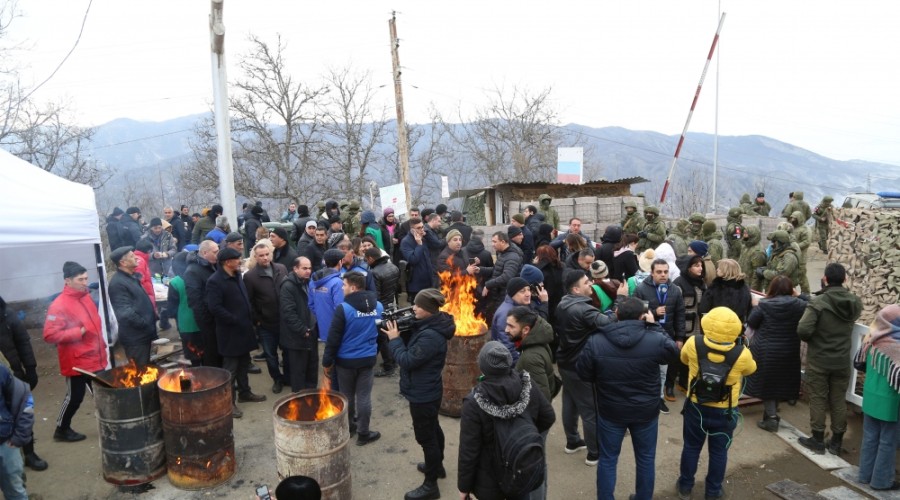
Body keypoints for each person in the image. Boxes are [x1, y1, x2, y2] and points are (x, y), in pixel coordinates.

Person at [577, 297, 677, 500]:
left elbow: (583, 373)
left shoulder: (596, 340)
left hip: (611, 410)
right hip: (645, 411)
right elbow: (673, 354)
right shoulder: (655, 339)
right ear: (643, 317)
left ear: (616, 315)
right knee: (646, 459)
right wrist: (655, 326)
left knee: (608, 459)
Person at [457, 341, 556, 500]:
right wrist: (523, 434)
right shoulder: (526, 384)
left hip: (491, 480)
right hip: (520, 469)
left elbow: (469, 451)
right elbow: (548, 416)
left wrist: (463, 487)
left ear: (482, 367)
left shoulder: (475, 402)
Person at [383, 288, 455, 500]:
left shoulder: (431, 337)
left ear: (430, 310)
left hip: (423, 393)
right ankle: (437, 466)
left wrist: (394, 340)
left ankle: (431, 485)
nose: (413, 307)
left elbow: (407, 360)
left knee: (426, 438)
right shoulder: (431, 324)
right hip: (428, 389)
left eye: (418, 306)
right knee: (433, 428)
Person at [677, 307, 757, 500]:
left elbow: (683, 359)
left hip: (696, 406)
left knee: (691, 447)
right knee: (719, 452)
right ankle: (713, 491)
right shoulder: (742, 353)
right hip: (725, 410)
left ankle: (685, 487)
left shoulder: (693, 343)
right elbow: (751, 370)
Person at [555, 269, 621, 465]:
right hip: (580, 366)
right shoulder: (584, 309)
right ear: (576, 289)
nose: (591, 284)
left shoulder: (563, 303)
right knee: (590, 410)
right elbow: (608, 323)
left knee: (570, 402)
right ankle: (594, 452)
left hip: (565, 362)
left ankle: (573, 441)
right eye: (586, 283)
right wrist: (620, 299)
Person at [796, 263, 862, 455]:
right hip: (841, 360)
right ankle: (836, 442)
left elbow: (803, 329)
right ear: (845, 280)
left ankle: (817, 439)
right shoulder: (854, 302)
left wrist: (816, 339)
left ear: (825, 279)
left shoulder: (818, 302)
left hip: (819, 360)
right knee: (838, 399)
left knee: (818, 398)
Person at [43, 261, 108, 443]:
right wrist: (76, 333)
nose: (85, 282)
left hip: (95, 355)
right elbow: (49, 335)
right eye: (80, 279)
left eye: (86, 278)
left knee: (103, 393)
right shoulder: (59, 305)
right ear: (67, 281)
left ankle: (109, 423)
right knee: (75, 397)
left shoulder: (86, 297)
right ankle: (61, 429)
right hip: (77, 361)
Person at [323, 271, 383, 446]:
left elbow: (333, 338)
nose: (342, 288)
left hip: (345, 362)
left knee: (346, 395)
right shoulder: (378, 306)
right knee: (364, 397)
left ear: (353, 287)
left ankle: (348, 428)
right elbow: (381, 334)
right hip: (367, 359)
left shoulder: (344, 309)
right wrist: (374, 351)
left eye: (344, 285)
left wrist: (327, 361)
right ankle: (364, 433)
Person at [206, 247, 267, 418]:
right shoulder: (215, 281)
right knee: (230, 369)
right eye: (237, 259)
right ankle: (228, 403)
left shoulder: (237, 275)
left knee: (244, 364)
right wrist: (233, 319)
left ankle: (245, 393)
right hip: (229, 332)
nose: (240, 261)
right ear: (227, 262)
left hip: (244, 329)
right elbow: (214, 307)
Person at [507, 305, 559, 500]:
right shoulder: (534, 341)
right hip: (535, 420)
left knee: (534, 468)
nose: (506, 330)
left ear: (526, 330)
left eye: (511, 326)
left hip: (534, 424)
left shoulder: (530, 357)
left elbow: (542, 397)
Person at [744, 276, 808, 431]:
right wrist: (798, 294)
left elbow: (752, 323)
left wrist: (754, 306)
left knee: (767, 384)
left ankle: (771, 418)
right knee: (780, 381)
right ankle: (770, 414)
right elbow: (814, 303)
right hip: (789, 349)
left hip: (765, 349)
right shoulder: (799, 305)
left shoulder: (764, 304)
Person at [854, 305, 900, 491]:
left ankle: (865, 475)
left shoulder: (871, 340)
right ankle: (881, 481)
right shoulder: (896, 347)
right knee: (887, 442)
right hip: (890, 401)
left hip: (871, 396)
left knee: (870, 437)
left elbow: (860, 364)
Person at [633, 258, 686, 413]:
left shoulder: (675, 290)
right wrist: (654, 313)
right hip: (646, 336)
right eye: (659, 272)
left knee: (663, 370)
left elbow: (680, 315)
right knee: (644, 370)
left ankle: (659, 399)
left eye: (665, 271)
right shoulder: (642, 289)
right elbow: (637, 313)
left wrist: (680, 338)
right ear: (652, 273)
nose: (663, 275)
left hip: (666, 336)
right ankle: (642, 398)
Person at [0, 295, 45, 470]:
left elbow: (23, 342)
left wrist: (31, 368)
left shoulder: (6, 314)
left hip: (13, 375)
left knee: (21, 413)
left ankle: (29, 453)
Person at [244, 240, 290, 394]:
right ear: (255, 258)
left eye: (267, 254)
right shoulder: (250, 277)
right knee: (271, 355)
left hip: (284, 321)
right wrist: (257, 319)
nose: (265, 258)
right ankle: (277, 379)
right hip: (266, 323)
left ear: (271, 254)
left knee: (288, 352)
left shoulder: (281, 269)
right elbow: (249, 301)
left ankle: (288, 377)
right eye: (261, 256)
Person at [108, 246, 157, 364]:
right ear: (123, 262)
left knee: (148, 371)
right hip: (135, 338)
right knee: (141, 374)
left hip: (143, 335)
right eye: (131, 256)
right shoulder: (118, 283)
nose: (136, 257)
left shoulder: (131, 277)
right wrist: (145, 324)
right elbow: (125, 313)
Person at [279, 256, 318, 392]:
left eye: (309, 268)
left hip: (311, 332)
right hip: (297, 337)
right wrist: (303, 330)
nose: (308, 271)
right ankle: (299, 402)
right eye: (304, 268)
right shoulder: (288, 286)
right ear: (295, 269)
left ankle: (312, 397)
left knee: (312, 368)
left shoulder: (308, 282)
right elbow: (288, 313)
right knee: (299, 372)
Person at [491, 277, 549, 363]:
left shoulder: (520, 305)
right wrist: (521, 369)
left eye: (528, 289)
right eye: (522, 291)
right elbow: (508, 348)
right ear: (513, 294)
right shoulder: (506, 314)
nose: (528, 294)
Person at [184, 240, 221, 367]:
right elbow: (195, 301)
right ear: (205, 253)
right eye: (215, 252)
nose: (219, 254)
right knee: (211, 354)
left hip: (217, 317)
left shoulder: (213, 264)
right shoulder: (192, 271)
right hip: (208, 322)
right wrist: (206, 321)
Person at [0, 362, 34, 500]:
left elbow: (24, 399)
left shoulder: (1, 371)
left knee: (15, 488)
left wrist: (19, 436)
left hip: (5, 443)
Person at [477, 231, 524, 325]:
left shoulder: (512, 257)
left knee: (502, 323)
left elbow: (507, 276)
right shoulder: (503, 253)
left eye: (494, 242)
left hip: (505, 295)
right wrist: (480, 269)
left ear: (503, 242)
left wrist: (488, 285)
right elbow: (496, 270)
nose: (492, 244)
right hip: (499, 294)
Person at [698, 259, 752, 332]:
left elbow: (703, 308)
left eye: (720, 268)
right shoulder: (744, 289)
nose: (717, 270)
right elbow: (748, 310)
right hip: (736, 329)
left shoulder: (715, 287)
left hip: (716, 328)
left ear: (726, 271)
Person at [309, 249, 345, 343]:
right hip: (336, 329)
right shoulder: (338, 283)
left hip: (322, 329)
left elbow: (311, 305)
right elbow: (340, 308)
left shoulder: (314, 280)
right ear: (340, 262)